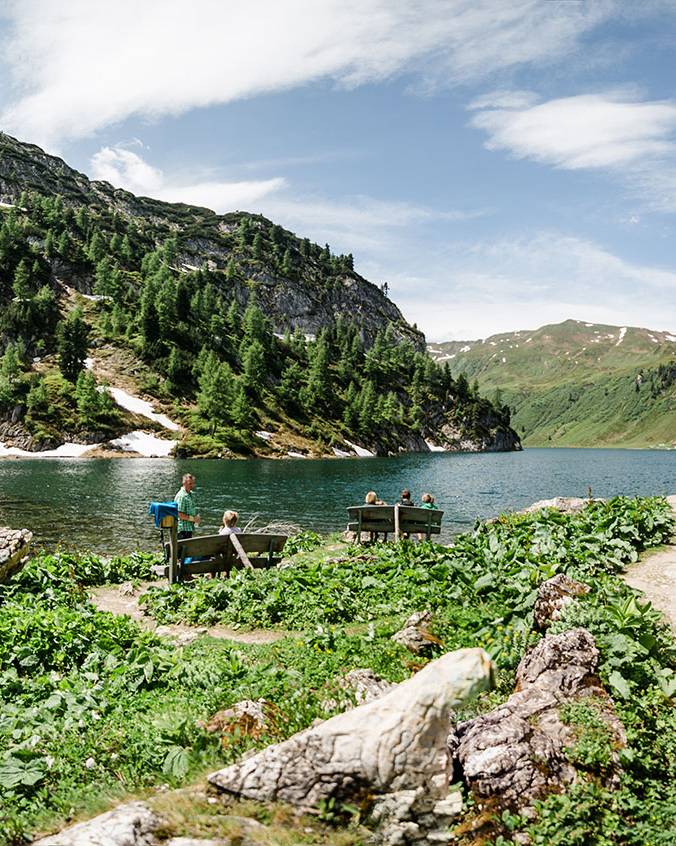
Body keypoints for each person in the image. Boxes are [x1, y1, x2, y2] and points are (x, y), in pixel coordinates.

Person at [174, 473, 201, 539]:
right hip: (182, 530)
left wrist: (196, 518)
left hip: (189, 528)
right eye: (190, 484)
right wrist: (193, 519)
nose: (192, 485)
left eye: (193, 483)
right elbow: (179, 514)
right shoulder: (181, 496)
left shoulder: (190, 494)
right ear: (184, 483)